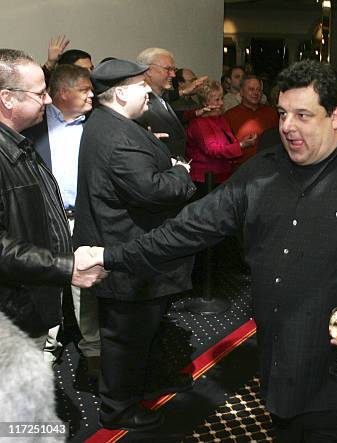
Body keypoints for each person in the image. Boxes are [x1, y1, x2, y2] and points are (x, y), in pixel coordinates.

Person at [78, 59, 337, 442]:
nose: (287, 126)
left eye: (303, 115)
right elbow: (186, 231)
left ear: (335, 116)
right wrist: (109, 256)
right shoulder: (260, 173)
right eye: (283, 113)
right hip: (278, 370)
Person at [73, 59, 196, 431]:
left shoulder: (113, 124)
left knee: (141, 333)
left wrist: (155, 153)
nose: (149, 91)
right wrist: (180, 170)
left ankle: (146, 383)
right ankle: (117, 409)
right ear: (122, 91)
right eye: (143, 85)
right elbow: (156, 190)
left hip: (131, 250)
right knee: (125, 339)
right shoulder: (116, 136)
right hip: (129, 255)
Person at [0, 49, 106, 344]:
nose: (48, 100)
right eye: (40, 93)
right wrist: (66, 266)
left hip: (23, 303)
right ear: (7, 98)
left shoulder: (20, 143)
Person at [22, 64, 100, 372]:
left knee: (87, 284)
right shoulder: (33, 126)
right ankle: (47, 347)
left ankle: (93, 348)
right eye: (84, 89)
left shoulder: (96, 126)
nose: (92, 94)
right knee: (46, 282)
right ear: (64, 93)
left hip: (84, 217)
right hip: (45, 219)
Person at [186, 79, 256, 197]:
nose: (221, 103)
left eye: (222, 98)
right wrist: (241, 145)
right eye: (217, 100)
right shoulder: (199, 123)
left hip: (222, 177)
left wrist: (241, 143)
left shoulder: (221, 119)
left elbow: (228, 144)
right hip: (204, 181)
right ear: (205, 103)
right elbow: (213, 150)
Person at [223, 74, 278, 166]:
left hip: (269, 167)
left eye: (259, 90)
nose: (256, 93)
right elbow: (224, 147)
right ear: (241, 92)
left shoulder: (271, 113)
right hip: (240, 169)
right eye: (251, 89)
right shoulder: (229, 116)